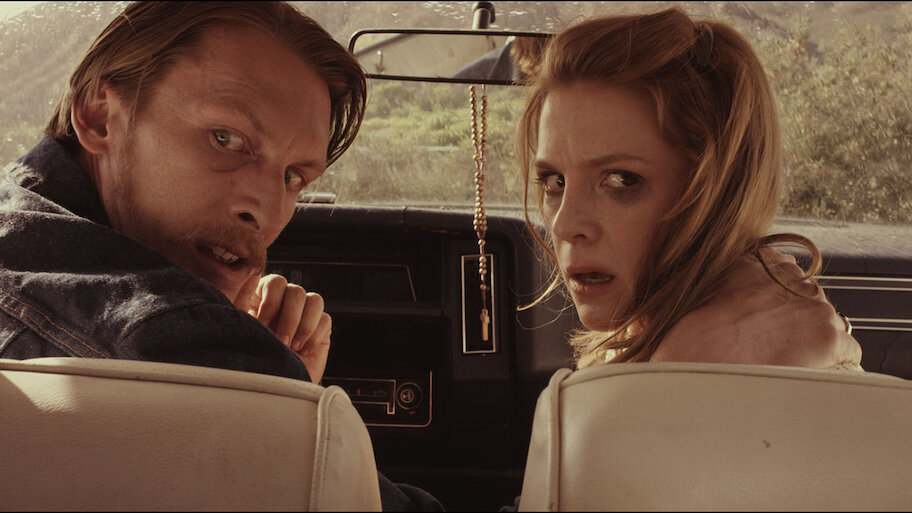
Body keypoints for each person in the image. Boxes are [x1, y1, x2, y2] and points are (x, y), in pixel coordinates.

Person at [0, 1, 441, 510]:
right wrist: (275, 400)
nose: (267, 212)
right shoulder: (182, 335)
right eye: (226, 139)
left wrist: (285, 401)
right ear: (100, 117)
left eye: (293, 176)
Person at [515, 8, 862, 369]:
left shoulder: (789, 378)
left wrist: (683, 374)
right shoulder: (645, 356)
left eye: (621, 180)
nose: (564, 225)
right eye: (555, 182)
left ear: (717, 191)